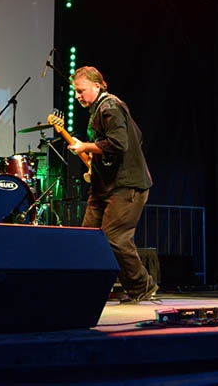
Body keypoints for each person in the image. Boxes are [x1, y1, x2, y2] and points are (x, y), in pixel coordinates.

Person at [68, 66, 157, 302]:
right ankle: (88, 289)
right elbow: (136, 136)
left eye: (81, 90)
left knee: (115, 238)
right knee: (88, 237)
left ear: (97, 86)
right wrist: (96, 163)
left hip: (126, 185)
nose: (77, 96)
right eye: (75, 91)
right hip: (104, 186)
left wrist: (86, 146)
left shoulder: (110, 107)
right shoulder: (102, 108)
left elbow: (119, 143)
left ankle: (142, 286)